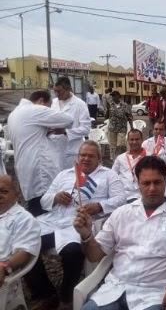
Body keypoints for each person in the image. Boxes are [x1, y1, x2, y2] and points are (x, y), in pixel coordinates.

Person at [74, 156, 166, 310]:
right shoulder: (121, 214)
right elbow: (94, 255)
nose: (152, 188)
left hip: (154, 294)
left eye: (157, 182)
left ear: (165, 181)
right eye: (146, 183)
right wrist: (86, 235)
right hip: (113, 290)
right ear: (138, 184)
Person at [26, 141, 126, 309]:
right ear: (78, 157)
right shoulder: (64, 174)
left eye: (91, 155)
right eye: (82, 155)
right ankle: (45, 293)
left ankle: (67, 295)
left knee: (73, 252)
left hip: (81, 223)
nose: (86, 158)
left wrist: (99, 206)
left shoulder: (108, 175)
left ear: (99, 158)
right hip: (54, 221)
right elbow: (44, 200)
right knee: (25, 245)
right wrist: (56, 197)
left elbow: (121, 199)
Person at [7, 90, 73, 216]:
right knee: (45, 211)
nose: (47, 110)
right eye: (48, 107)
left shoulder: (14, 114)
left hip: (24, 168)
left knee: (34, 207)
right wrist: (54, 127)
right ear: (41, 101)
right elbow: (68, 120)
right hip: (39, 171)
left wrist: (47, 129)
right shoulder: (34, 110)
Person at [0, 175, 41, 303]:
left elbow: (25, 252)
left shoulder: (24, 219)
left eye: (4, 191)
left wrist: (4, 267)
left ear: (16, 194)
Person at [50, 76, 91, 169]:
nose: (57, 94)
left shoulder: (80, 104)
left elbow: (86, 129)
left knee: (72, 180)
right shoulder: (53, 103)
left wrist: (65, 132)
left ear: (68, 89)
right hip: (55, 150)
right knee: (57, 180)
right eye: (55, 91)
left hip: (72, 151)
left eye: (59, 91)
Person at [112, 129, 148, 203]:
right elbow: (112, 176)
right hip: (123, 196)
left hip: (142, 195)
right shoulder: (120, 158)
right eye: (131, 139)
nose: (134, 142)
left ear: (142, 140)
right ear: (128, 141)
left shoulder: (149, 157)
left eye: (137, 139)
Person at [106, 91, 133, 160]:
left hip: (122, 128)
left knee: (120, 145)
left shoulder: (124, 105)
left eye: (114, 95)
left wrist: (132, 127)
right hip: (112, 128)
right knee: (112, 146)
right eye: (112, 96)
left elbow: (129, 116)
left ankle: (121, 159)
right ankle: (113, 159)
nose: (113, 97)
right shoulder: (110, 105)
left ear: (118, 96)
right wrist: (107, 109)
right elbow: (106, 116)